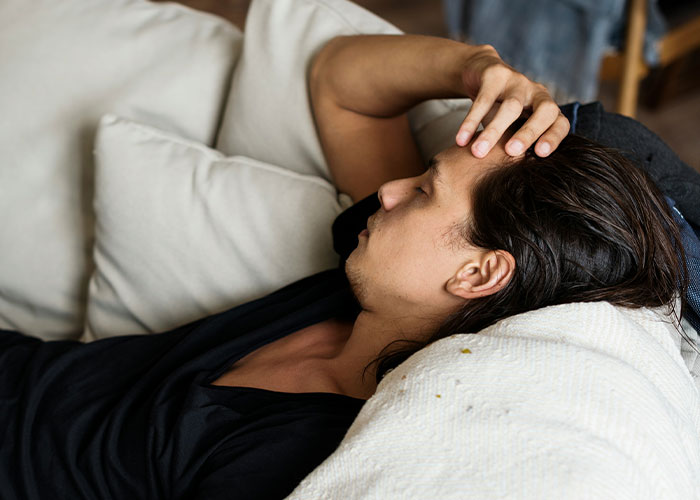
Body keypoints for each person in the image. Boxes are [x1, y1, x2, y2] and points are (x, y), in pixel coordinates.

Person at [0, 34, 692, 500]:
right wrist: (477, 68)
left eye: (423, 192)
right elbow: (340, 81)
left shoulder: (301, 454)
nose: (388, 192)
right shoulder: (381, 287)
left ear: (479, 275)